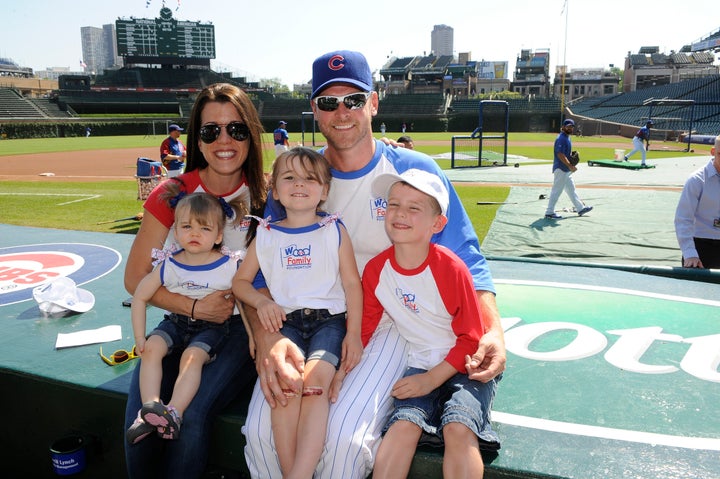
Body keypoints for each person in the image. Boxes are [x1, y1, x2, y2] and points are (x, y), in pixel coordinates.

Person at [243, 49, 506, 479]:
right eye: (329, 102)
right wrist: (266, 339)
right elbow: (258, 274)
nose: (341, 111)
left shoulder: (411, 171)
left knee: (344, 445)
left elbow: (467, 259)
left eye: (354, 99)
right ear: (315, 110)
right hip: (300, 320)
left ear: (374, 103)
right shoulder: (299, 180)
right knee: (260, 435)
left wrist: (492, 328)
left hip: (391, 318)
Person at [123, 82, 266, 479]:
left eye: (236, 129)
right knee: (140, 422)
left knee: (192, 414)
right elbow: (135, 278)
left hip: (234, 329)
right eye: (211, 131)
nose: (224, 140)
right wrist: (193, 307)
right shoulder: (173, 193)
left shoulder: (269, 195)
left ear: (251, 136)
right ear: (197, 140)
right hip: (176, 321)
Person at [233, 146, 363, 478]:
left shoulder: (334, 229)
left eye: (310, 178)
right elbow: (241, 283)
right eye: (289, 178)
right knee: (287, 386)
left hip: (329, 322)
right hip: (286, 323)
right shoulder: (266, 233)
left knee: (315, 382)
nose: (299, 184)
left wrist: (354, 333)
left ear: (325, 190)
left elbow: (352, 285)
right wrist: (262, 302)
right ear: (275, 189)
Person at [365, 169, 500, 479]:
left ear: (437, 223)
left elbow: (470, 337)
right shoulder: (376, 270)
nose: (400, 214)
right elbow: (365, 328)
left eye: (414, 208)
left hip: (465, 363)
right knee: (403, 425)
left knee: (458, 425)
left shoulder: (452, 268)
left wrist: (432, 379)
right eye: (394, 204)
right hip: (419, 362)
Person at [126, 191, 241, 445]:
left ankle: (174, 412)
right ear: (175, 232)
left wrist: (255, 340)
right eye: (187, 226)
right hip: (177, 321)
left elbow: (244, 304)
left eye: (204, 228)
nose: (195, 233)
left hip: (212, 328)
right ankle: (149, 409)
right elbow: (140, 296)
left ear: (218, 235)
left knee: (192, 357)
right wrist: (139, 337)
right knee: (152, 348)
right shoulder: (169, 264)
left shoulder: (229, 266)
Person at [674, 135, 720, 269]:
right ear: (712, 152)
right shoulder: (696, 180)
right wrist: (690, 253)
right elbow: (683, 218)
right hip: (700, 247)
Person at [544, 119, 593, 220]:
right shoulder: (561, 138)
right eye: (568, 126)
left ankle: (580, 208)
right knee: (556, 191)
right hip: (561, 168)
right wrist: (570, 165)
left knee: (571, 189)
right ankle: (549, 212)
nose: (570, 128)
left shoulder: (567, 137)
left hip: (565, 169)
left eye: (571, 126)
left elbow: (565, 153)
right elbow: (560, 154)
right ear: (563, 127)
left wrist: (570, 158)